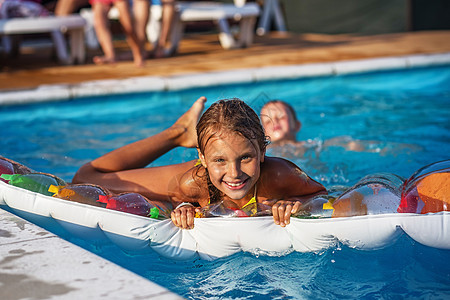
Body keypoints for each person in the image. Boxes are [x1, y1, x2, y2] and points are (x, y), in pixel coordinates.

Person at [73, 97, 327, 229]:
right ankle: (178, 133)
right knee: (85, 178)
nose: (235, 173)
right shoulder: (193, 182)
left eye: (246, 158)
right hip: (203, 180)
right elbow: (176, 202)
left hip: (211, 174)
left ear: (262, 152)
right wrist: (184, 206)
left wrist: (297, 203)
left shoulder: (281, 175)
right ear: (202, 158)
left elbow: (324, 195)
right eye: (220, 160)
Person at [260, 100, 422, 155]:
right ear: (262, 133)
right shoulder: (264, 155)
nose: (275, 121)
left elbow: (351, 144)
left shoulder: (313, 146)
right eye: (268, 121)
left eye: (281, 116)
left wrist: (389, 148)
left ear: (297, 125)